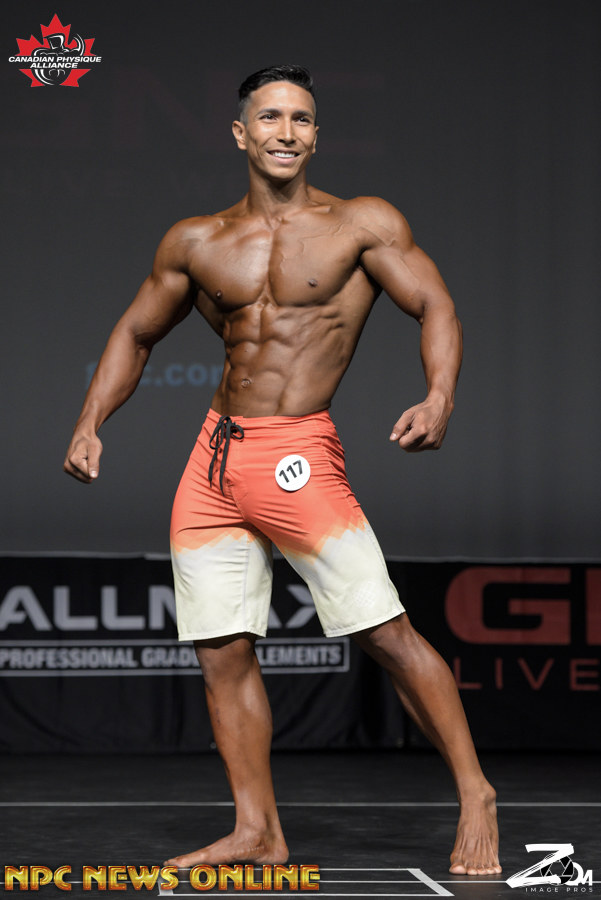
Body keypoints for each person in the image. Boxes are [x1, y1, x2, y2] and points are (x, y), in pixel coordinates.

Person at [64, 64, 501, 876]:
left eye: (300, 118)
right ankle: (256, 831)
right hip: (213, 460)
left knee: (384, 634)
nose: (286, 131)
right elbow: (135, 332)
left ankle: (475, 792)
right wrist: (90, 422)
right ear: (241, 133)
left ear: (315, 136)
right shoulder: (196, 241)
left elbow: (434, 304)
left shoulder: (360, 224)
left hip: (297, 454)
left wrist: (438, 395)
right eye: (269, 117)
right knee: (220, 650)